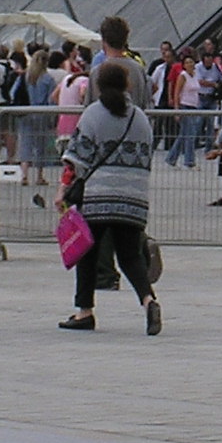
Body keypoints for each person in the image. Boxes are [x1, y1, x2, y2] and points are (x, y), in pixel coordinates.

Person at [58, 60, 161, 333]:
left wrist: (62, 191)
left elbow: (76, 158)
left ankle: (85, 312)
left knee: (88, 254)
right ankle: (148, 300)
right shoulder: (140, 117)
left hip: (98, 196)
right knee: (129, 256)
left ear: (97, 85)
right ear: (128, 85)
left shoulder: (93, 114)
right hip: (133, 197)